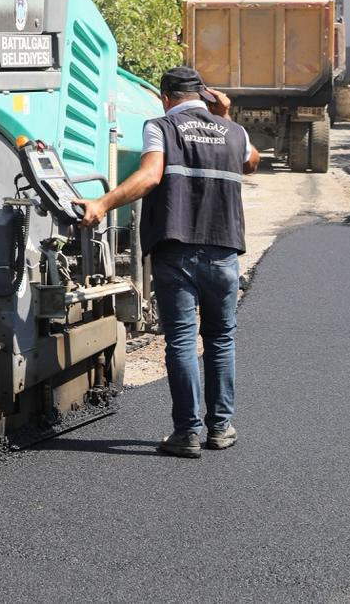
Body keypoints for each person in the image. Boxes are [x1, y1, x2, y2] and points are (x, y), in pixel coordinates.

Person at [77, 66, 259, 458]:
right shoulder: (235, 132)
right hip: (224, 249)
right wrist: (225, 116)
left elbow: (150, 176)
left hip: (175, 250)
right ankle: (220, 428)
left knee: (180, 340)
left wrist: (102, 203)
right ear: (205, 96)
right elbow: (251, 162)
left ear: (165, 97)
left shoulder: (160, 126)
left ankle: (187, 433)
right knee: (220, 339)